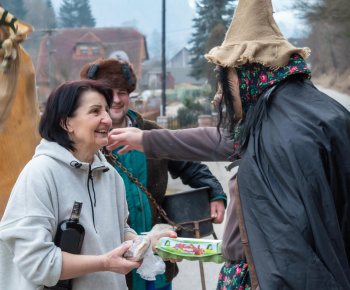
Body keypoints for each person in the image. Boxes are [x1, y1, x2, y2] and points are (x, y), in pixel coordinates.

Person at [106, 0, 350, 289]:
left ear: (244, 73)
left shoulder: (279, 133)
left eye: (225, 79)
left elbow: (289, 249)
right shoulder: (300, 114)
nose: (221, 94)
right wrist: (147, 139)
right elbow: (221, 139)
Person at [0, 80, 176, 290]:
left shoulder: (111, 175)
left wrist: (148, 244)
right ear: (66, 123)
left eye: (106, 110)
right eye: (95, 111)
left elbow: (120, 231)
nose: (107, 119)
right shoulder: (39, 174)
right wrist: (104, 263)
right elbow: (37, 263)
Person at [79, 58, 227, 290]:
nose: (116, 100)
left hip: (157, 256)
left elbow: (189, 165)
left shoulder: (150, 132)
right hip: (115, 262)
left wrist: (215, 194)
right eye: (109, 93)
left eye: (123, 92)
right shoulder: (85, 141)